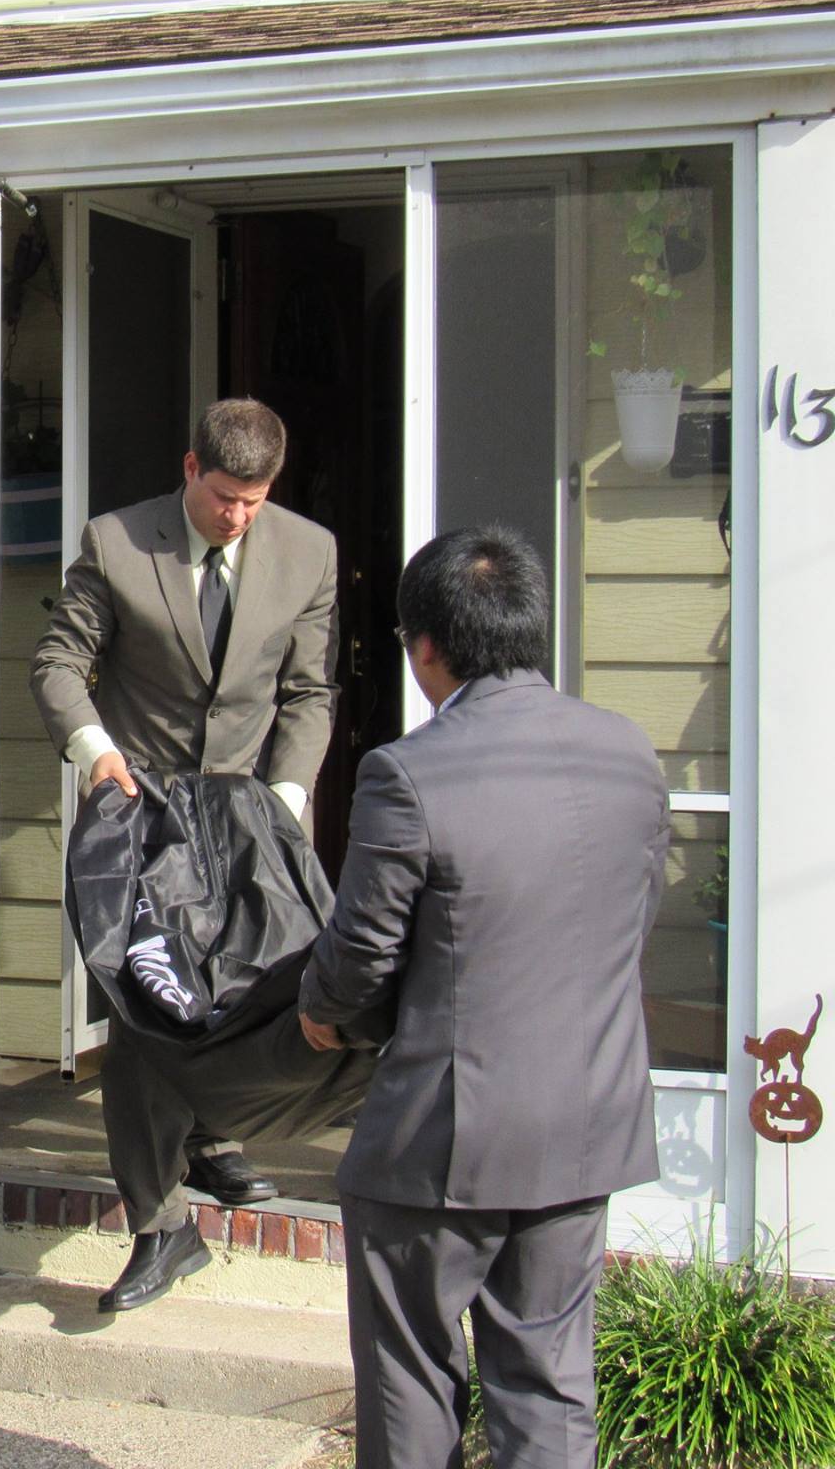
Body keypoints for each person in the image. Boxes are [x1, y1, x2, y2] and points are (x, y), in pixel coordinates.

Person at [299, 526, 669, 1469]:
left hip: (443, 1138)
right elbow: (633, 914)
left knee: (412, 1376)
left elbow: (362, 955)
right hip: (587, 1118)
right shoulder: (629, 751)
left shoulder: (409, 770)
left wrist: (324, 1014)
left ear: (424, 646)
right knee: (548, 1380)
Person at [29, 397, 340, 1311]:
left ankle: (212, 1133)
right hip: (144, 811)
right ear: (189, 467)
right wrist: (97, 755)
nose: (237, 517)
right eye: (223, 498)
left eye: (255, 500)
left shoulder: (309, 552)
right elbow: (56, 661)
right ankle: (162, 1225)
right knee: (145, 1009)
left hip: (253, 808)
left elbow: (311, 690)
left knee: (251, 990)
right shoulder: (118, 543)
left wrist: (285, 796)